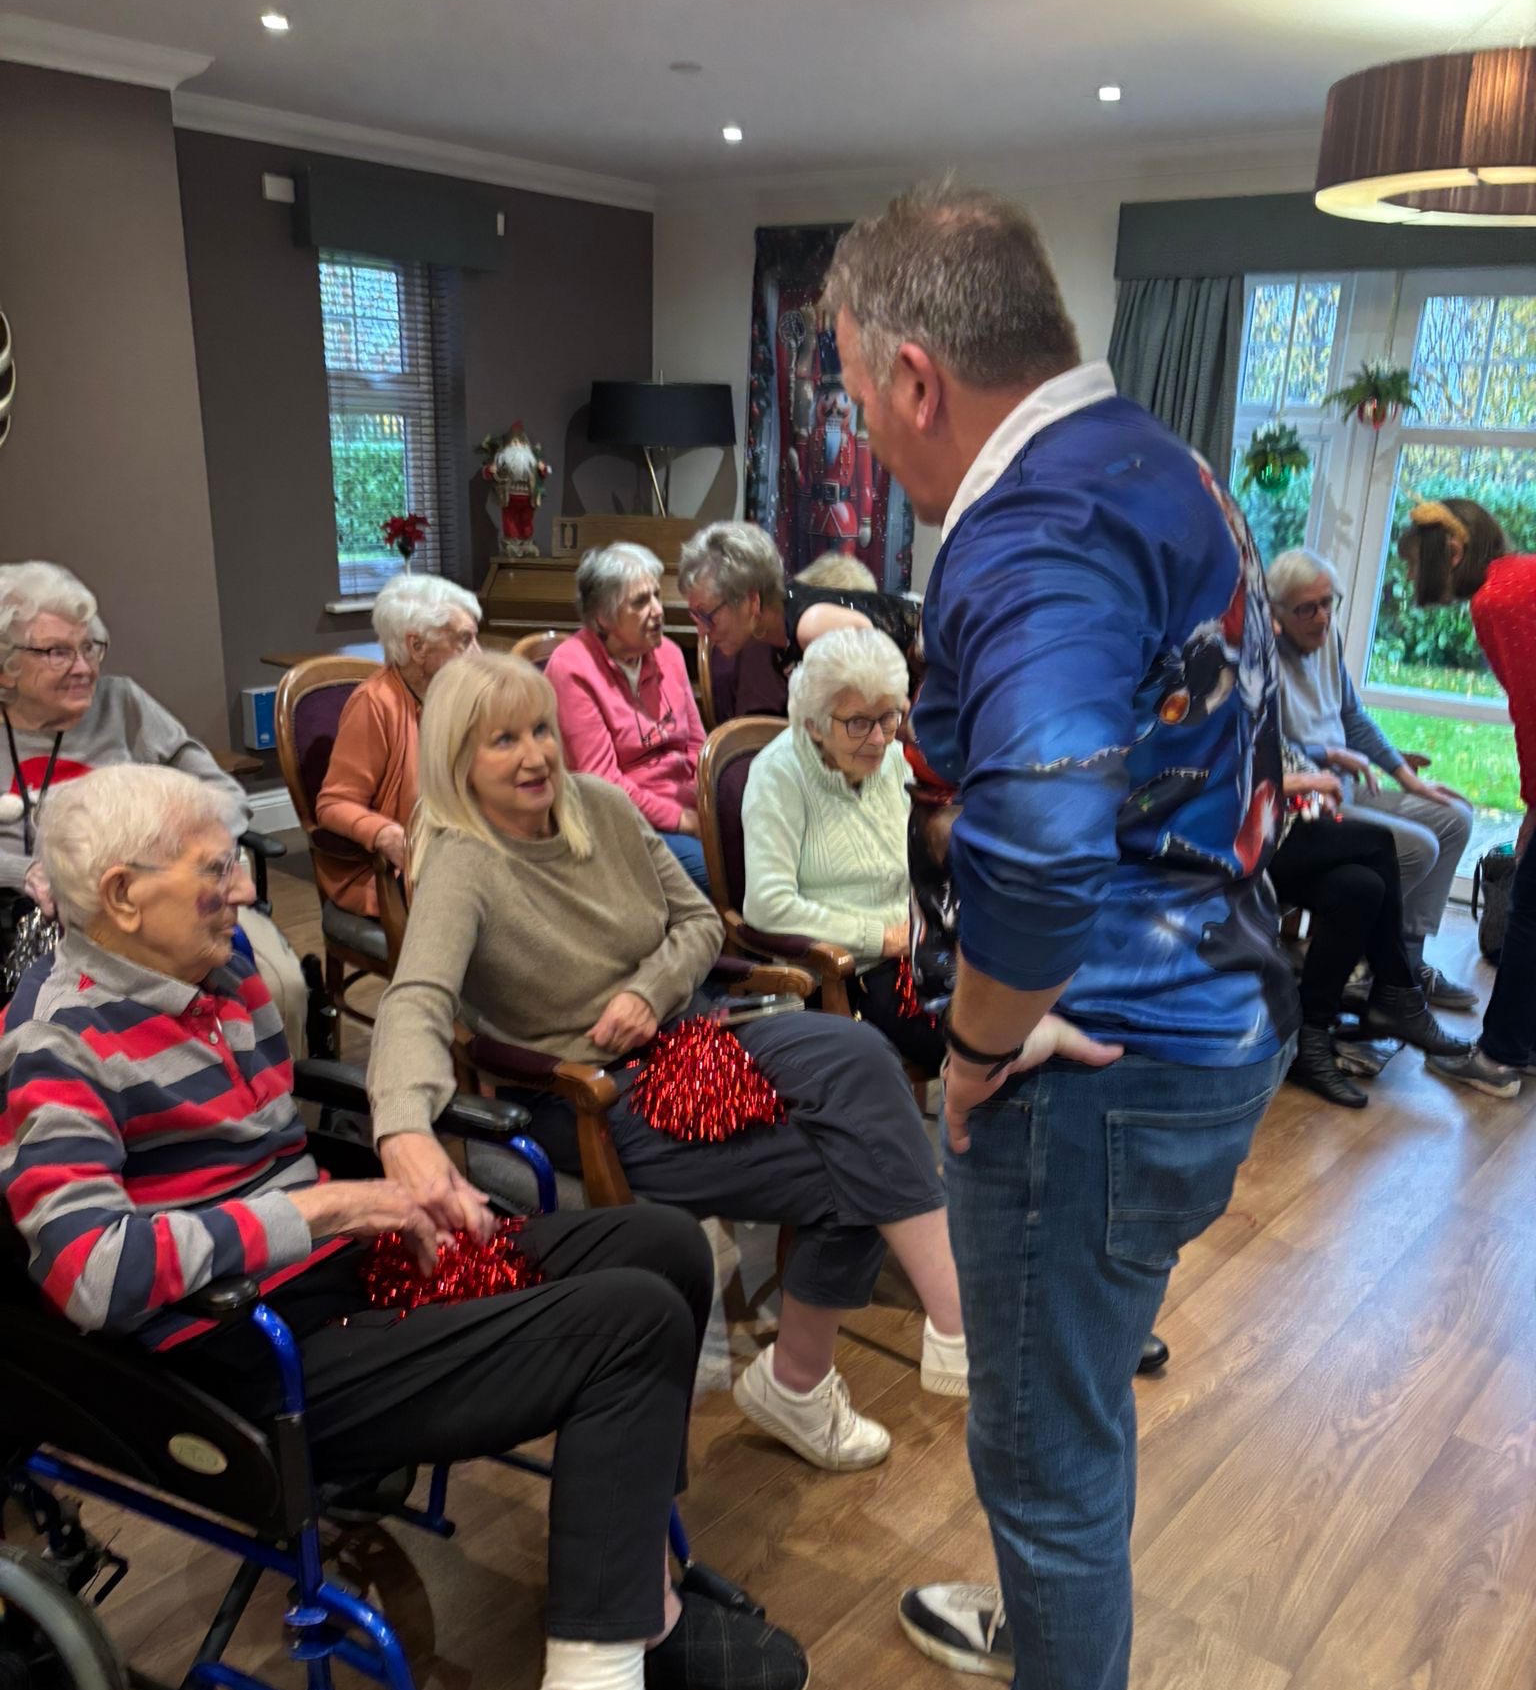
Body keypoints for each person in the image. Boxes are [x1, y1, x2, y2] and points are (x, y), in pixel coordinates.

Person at [0, 763, 807, 1690]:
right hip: (245, 1357)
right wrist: (332, 1208)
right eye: (216, 869)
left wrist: (402, 1172)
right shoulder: (56, 1046)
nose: (246, 888)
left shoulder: (217, 973)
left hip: (339, 1282)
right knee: (625, 1325)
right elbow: (91, 1273)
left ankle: (644, 1609)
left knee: (663, 1246)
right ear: (122, 896)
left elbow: (284, 1151)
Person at [821, 186, 1302, 1690]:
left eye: (856, 393)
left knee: (1044, 1440)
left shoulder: (1028, 527)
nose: (861, 432)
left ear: (918, 375)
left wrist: (971, 1050)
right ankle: (1039, 1622)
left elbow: (1033, 843)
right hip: (1209, 1011)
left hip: (1098, 1057)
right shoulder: (1149, 458)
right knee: (1068, 1393)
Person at [365, 652, 1003, 1469]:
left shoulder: (597, 805)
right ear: (458, 759)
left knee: (858, 1053)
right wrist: (402, 1129)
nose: (535, 755)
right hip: (594, 1093)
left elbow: (700, 922)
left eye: (541, 730)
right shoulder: (463, 862)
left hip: (693, 1030)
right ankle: (807, 1380)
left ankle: (947, 1323)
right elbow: (414, 1001)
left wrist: (649, 988)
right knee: (853, 1170)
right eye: (503, 741)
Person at [0, 560, 306, 1051]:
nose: (84, 668)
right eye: (57, 652)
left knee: (280, 985)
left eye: (89, 647)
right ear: (6, 665)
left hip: (162, 898)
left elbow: (221, 792)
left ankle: (270, 1094)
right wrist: (28, 872)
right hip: (22, 914)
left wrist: (200, 860)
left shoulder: (122, 704)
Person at [1268, 547, 1475, 1008]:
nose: (1323, 618)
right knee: (1418, 847)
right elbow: (1260, 751)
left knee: (1454, 816)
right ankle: (1359, 963)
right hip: (1306, 802)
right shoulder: (1259, 659)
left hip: (1347, 784)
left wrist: (1408, 779)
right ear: (1275, 612)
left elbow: (1353, 716)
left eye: (1329, 603)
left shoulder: (1326, 638)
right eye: (1307, 609)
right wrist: (1327, 753)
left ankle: (1408, 960)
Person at [742, 627, 942, 1073]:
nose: (880, 739)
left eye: (888, 717)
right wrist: (881, 937)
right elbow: (767, 905)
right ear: (814, 723)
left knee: (1014, 1001)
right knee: (975, 1041)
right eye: (858, 723)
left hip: (917, 951)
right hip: (848, 973)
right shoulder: (778, 775)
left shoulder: (894, 760)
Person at [1400, 498, 1536, 1097]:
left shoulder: (1498, 599)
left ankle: (1499, 1059)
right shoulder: (1523, 574)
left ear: (1452, 551)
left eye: (1415, 563)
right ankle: (1522, 1044)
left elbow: (1532, 710)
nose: (1413, 576)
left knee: (1530, 913)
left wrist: (1533, 805)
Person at [1269, 748, 1469, 1109]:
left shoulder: (1251, 709)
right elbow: (1217, 779)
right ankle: (1398, 994)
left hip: (1280, 825)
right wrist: (1307, 781)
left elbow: (1285, 751)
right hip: (1230, 840)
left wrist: (1314, 790)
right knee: (1377, 842)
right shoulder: (1195, 713)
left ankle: (1311, 1039)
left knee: (1361, 888)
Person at [313, 574, 481, 917]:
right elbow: (333, 804)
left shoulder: (456, 696)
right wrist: (385, 834)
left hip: (458, 856)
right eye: (464, 641)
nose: (478, 654)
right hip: (388, 874)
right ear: (416, 647)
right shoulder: (375, 704)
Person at [545, 544, 709, 893]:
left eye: (656, 596)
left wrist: (707, 799)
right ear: (602, 617)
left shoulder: (669, 653)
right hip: (625, 822)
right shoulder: (572, 669)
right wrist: (681, 820)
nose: (658, 611)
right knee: (715, 874)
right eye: (640, 602)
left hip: (690, 806)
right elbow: (604, 783)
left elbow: (697, 744)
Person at [681, 522, 921, 720]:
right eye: (695, 616)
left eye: (706, 615)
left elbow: (888, 690)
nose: (701, 630)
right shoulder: (776, 629)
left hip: (931, 669)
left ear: (751, 601)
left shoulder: (811, 627)